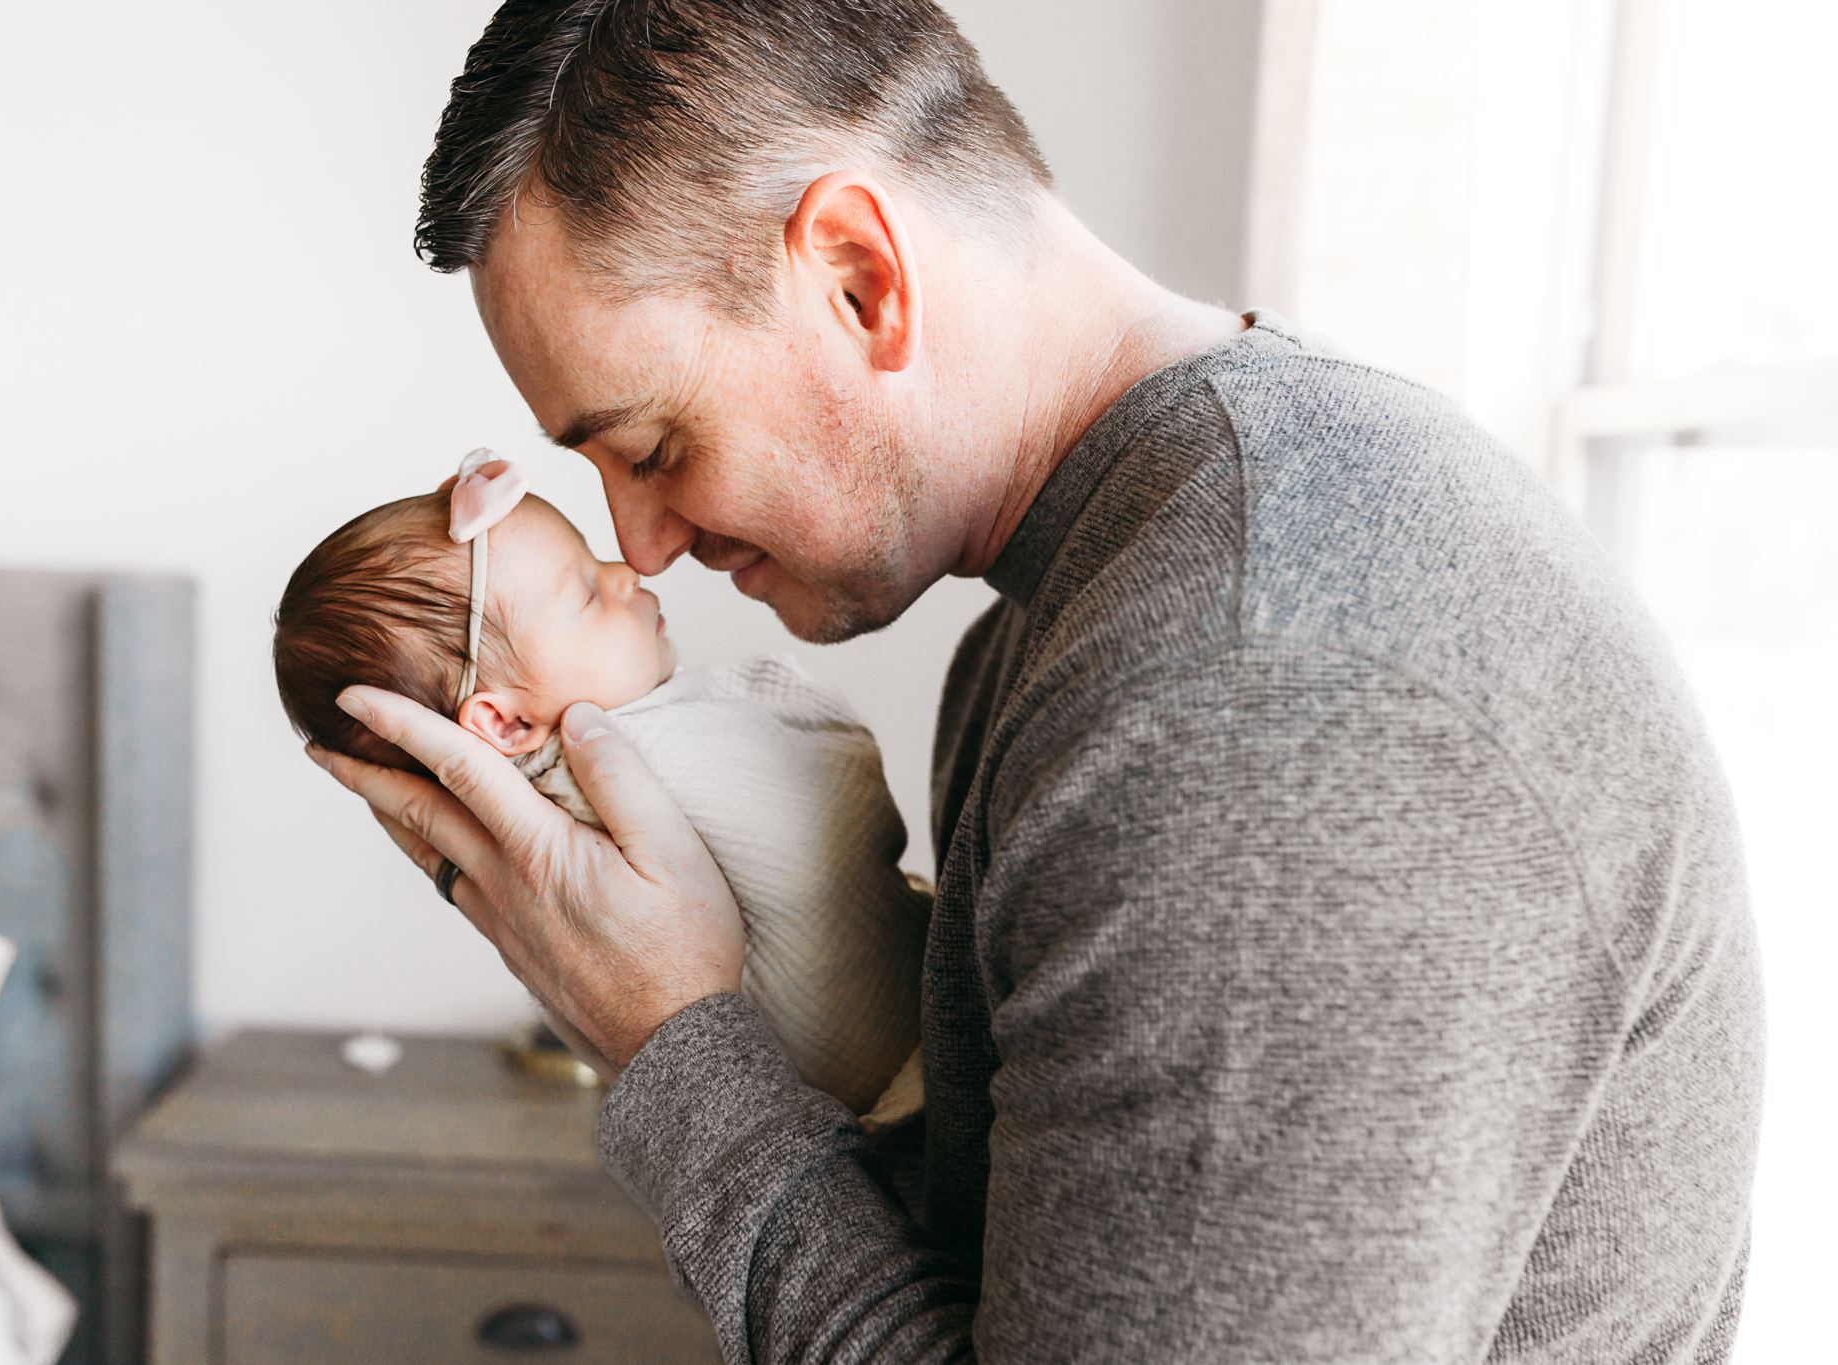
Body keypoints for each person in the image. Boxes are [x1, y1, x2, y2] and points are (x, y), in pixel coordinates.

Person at [307, 2, 1763, 1360]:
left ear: (861, 279)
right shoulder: (1072, 621)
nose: (641, 541)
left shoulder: (1254, 705)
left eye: (653, 446)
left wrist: (672, 1047)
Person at [271, 461, 931, 1120]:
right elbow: (838, 796)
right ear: (503, 722)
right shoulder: (596, 790)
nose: (627, 571)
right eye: (586, 592)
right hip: (893, 1093)